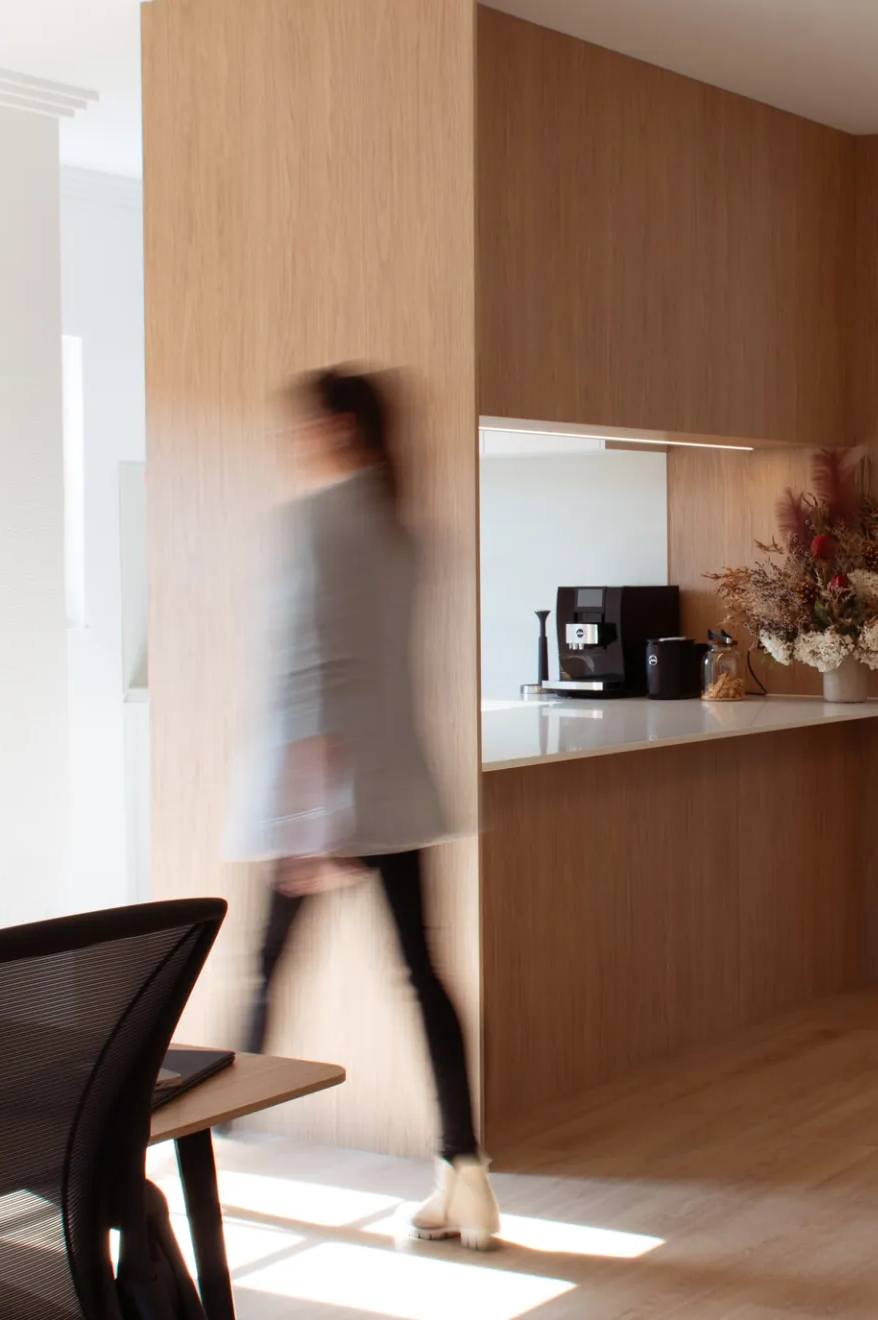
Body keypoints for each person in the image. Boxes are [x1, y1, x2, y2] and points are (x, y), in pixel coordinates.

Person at [238, 366, 499, 1249]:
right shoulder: (403, 532)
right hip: (401, 790)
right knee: (422, 978)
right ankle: (465, 1175)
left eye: (305, 425)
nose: (295, 440)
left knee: (264, 973)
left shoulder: (314, 524)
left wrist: (310, 826)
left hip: (327, 800)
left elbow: (315, 679)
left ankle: (204, 1155)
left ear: (340, 428)